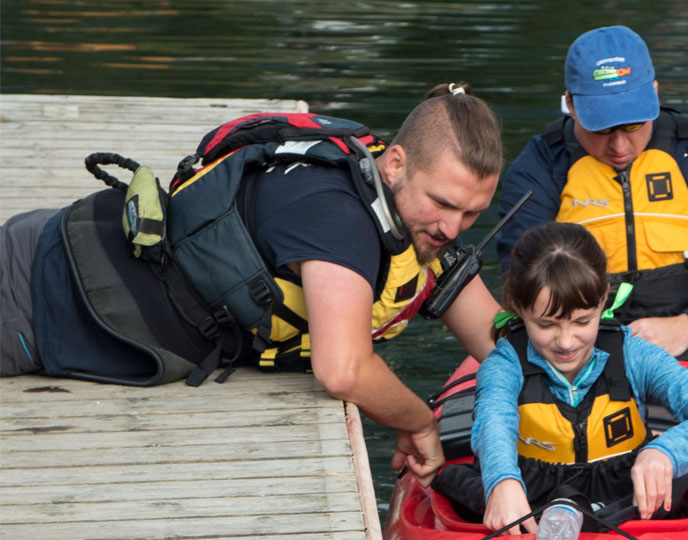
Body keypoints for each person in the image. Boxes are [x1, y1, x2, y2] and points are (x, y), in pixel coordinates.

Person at [0, 83, 505, 484]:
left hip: (68, 259)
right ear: (395, 163)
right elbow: (343, 369)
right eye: (442, 203)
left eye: (473, 213)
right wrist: (419, 422)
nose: (453, 228)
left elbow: (500, 341)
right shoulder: (338, 219)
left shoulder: (405, 210)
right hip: (41, 295)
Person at [495, 25, 688, 360]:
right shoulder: (538, 169)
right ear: (570, 104)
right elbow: (524, 282)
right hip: (577, 353)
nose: (619, 146)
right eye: (600, 126)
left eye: (633, 124)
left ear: (654, 94)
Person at [431, 221, 688, 534]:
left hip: (625, 502)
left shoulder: (635, 355)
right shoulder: (504, 364)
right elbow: (493, 423)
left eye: (582, 321)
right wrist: (502, 480)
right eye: (546, 325)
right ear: (519, 309)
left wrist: (664, 451)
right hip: (530, 502)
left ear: (602, 302)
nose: (567, 341)